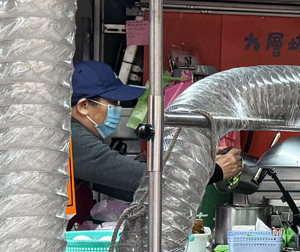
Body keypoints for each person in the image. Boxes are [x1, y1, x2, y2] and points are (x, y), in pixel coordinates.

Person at [69, 60, 242, 217]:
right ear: (84, 106)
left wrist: (200, 160)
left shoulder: (78, 138)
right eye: (113, 103)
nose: (117, 109)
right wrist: (212, 170)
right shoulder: (72, 138)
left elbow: (130, 188)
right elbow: (144, 178)